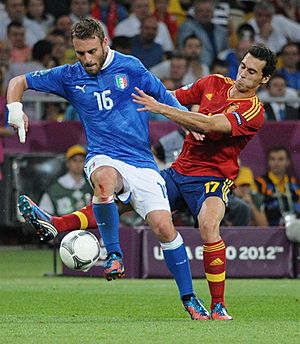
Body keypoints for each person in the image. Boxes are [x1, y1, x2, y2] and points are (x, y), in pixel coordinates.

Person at [18, 44, 277, 321]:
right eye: (242, 66)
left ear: (263, 79)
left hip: (213, 178)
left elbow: (209, 125)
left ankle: (218, 305)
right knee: (122, 202)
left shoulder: (254, 111)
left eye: (252, 72)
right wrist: (125, 103)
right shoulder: (213, 82)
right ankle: (57, 224)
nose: (243, 74)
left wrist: (161, 108)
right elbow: (170, 96)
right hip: (179, 172)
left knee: (208, 225)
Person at [8, 17, 210, 321]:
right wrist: (15, 109)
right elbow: (17, 82)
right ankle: (114, 255)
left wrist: (186, 122)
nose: (86, 60)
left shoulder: (131, 67)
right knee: (104, 180)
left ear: (105, 43)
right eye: (80, 53)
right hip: (104, 154)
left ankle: (190, 299)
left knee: (164, 228)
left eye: (91, 51)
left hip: (142, 162)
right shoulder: (68, 75)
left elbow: (164, 95)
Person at [38, 145, 93, 216]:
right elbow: (43, 216)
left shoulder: (91, 186)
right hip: (63, 226)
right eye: (74, 160)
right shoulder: (54, 190)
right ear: (68, 163)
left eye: (81, 161)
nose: (78, 164)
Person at [255, 145, 300, 226]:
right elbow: (257, 211)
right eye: (272, 159)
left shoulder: (295, 183)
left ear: (288, 162)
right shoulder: (260, 183)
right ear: (268, 161)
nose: (276, 163)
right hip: (270, 230)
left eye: (280, 159)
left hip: (295, 228)